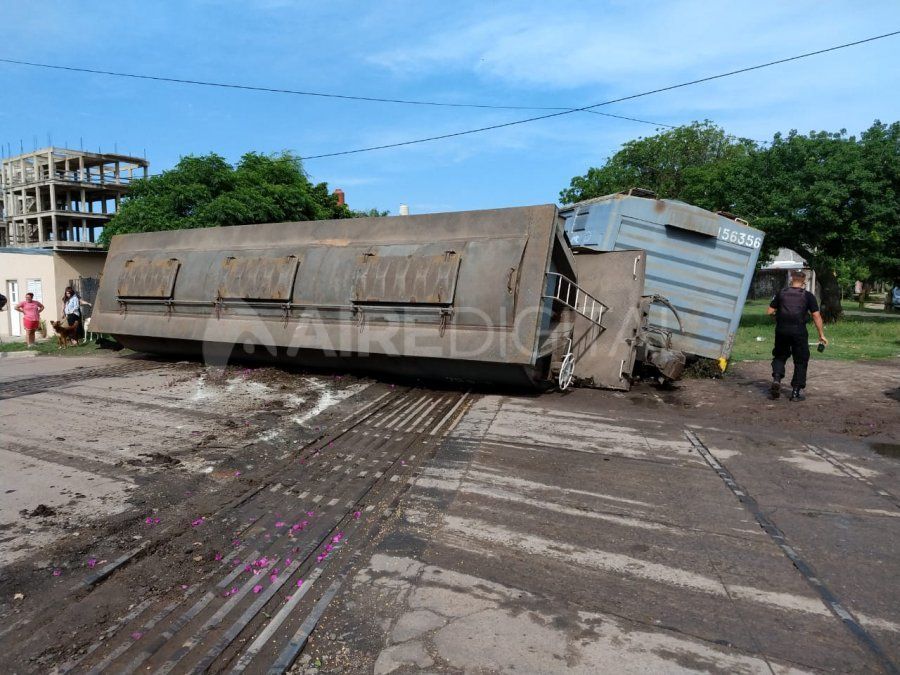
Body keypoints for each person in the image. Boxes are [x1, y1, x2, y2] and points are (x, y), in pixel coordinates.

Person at [767, 270, 828, 401]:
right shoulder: (808, 296)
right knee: (801, 360)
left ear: (791, 280)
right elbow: (816, 316)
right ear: (804, 282)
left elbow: (770, 311)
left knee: (779, 355)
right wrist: (821, 334)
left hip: (782, 330)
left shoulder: (781, 293)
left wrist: (778, 318)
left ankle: (776, 379)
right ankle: (795, 392)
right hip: (799, 331)